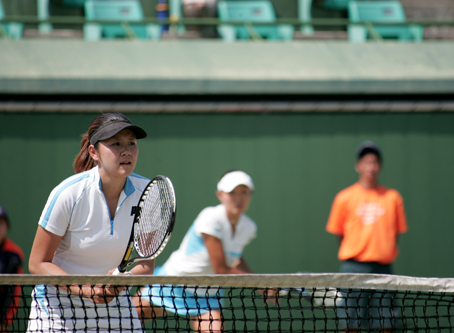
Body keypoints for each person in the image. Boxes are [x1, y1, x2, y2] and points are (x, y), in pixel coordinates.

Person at [27, 112, 153, 333]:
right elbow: (38, 263)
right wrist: (84, 288)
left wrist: (123, 280)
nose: (126, 150)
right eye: (116, 143)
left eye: (131, 143)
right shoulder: (69, 193)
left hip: (117, 311)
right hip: (59, 312)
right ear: (94, 152)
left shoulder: (148, 193)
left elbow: (146, 263)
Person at [133, 169, 268, 333]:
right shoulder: (210, 217)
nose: (239, 198)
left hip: (208, 295)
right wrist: (260, 282)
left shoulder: (249, 227)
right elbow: (221, 269)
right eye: (232, 192)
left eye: (244, 192)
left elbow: (234, 257)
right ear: (220, 194)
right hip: (174, 283)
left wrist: (260, 283)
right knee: (121, 321)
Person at [325, 141, 408, 332]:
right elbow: (339, 234)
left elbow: (395, 234)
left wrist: (381, 251)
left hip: (383, 270)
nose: (370, 167)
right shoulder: (344, 197)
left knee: (385, 324)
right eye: (366, 162)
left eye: (375, 162)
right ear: (358, 166)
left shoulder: (393, 197)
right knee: (349, 324)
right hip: (353, 268)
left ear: (380, 166)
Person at [0, 206, 24, 332]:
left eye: (1, 223)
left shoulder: (14, 254)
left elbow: (14, 290)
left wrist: (5, 320)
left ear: (7, 227)